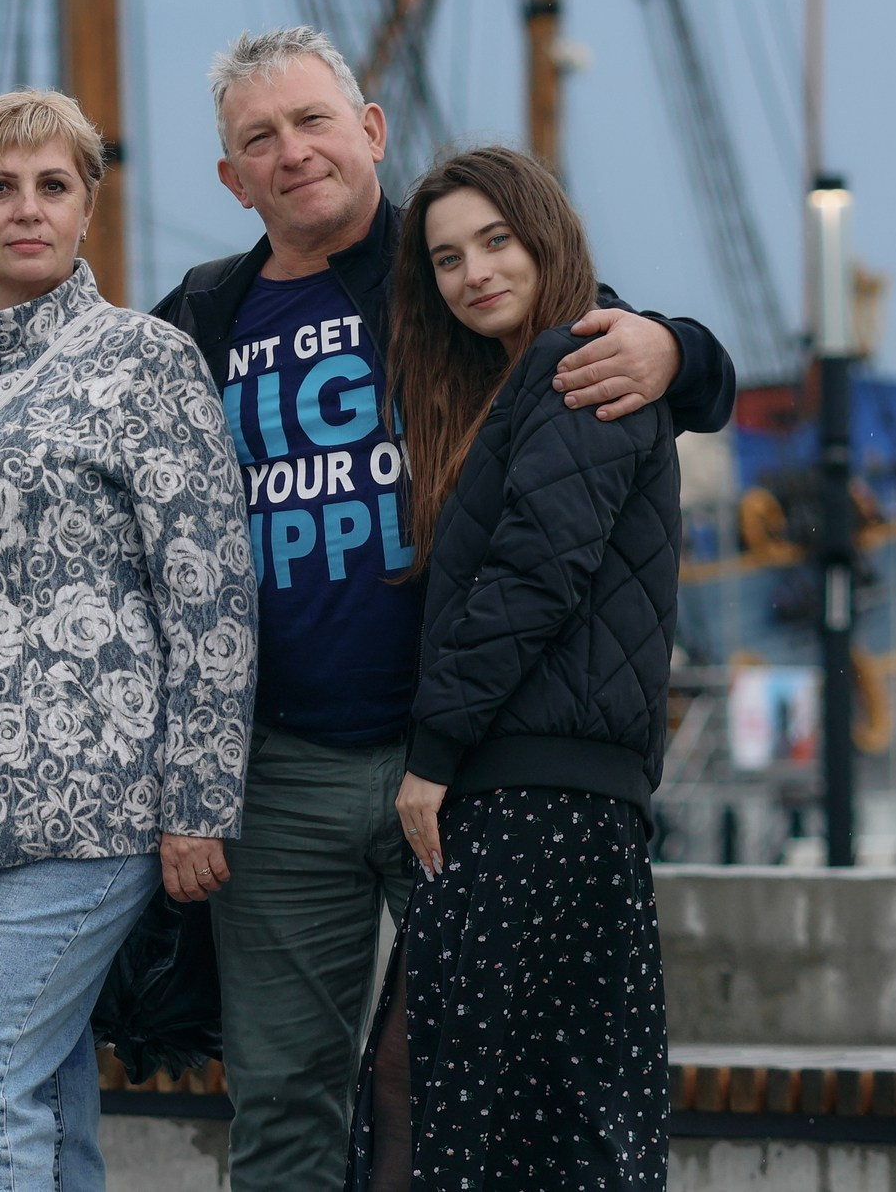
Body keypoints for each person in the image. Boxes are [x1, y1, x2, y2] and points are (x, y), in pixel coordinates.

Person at [145, 27, 733, 1190]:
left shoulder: (448, 268)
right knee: (283, 1099)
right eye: (258, 138)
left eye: (313, 120)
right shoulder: (198, 321)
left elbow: (614, 344)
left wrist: (680, 347)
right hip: (285, 766)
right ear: (230, 179)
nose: (292, 151)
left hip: (466, 763)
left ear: (368, 131)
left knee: (472, 1089)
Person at [0, 87, 255, 1190]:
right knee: (37, 1091)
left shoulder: (145, 361)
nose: (26, 209)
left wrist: (198, 801)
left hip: (92, 797)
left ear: (87, 204)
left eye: (53, 185)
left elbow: (211, 592)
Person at [348, 144, 676, 1188]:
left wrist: (431, 753)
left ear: (546, 235)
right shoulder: (523, 378)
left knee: (447, 1084)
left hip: (536, 790)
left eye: (496, 240)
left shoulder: (583, 360)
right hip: (550, 792)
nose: (474, 272)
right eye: (446, 258)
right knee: (510, 1098)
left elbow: (535, 571)